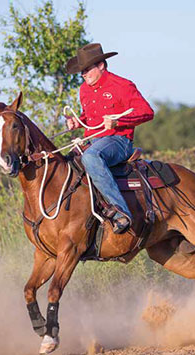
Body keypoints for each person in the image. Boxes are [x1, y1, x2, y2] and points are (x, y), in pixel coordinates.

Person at [65, 43, 154, 234]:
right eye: (81, 71)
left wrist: (119, 121)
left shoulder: (123, 85)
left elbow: (147, 112)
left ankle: (120, 212)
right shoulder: (84, 90)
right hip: (93, 140)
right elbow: (89, 118)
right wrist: (77, 122)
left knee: (90, 158)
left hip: (119, 141)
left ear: (101, 66)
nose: (83, 74)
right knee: (65, 163)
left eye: (87, 69)